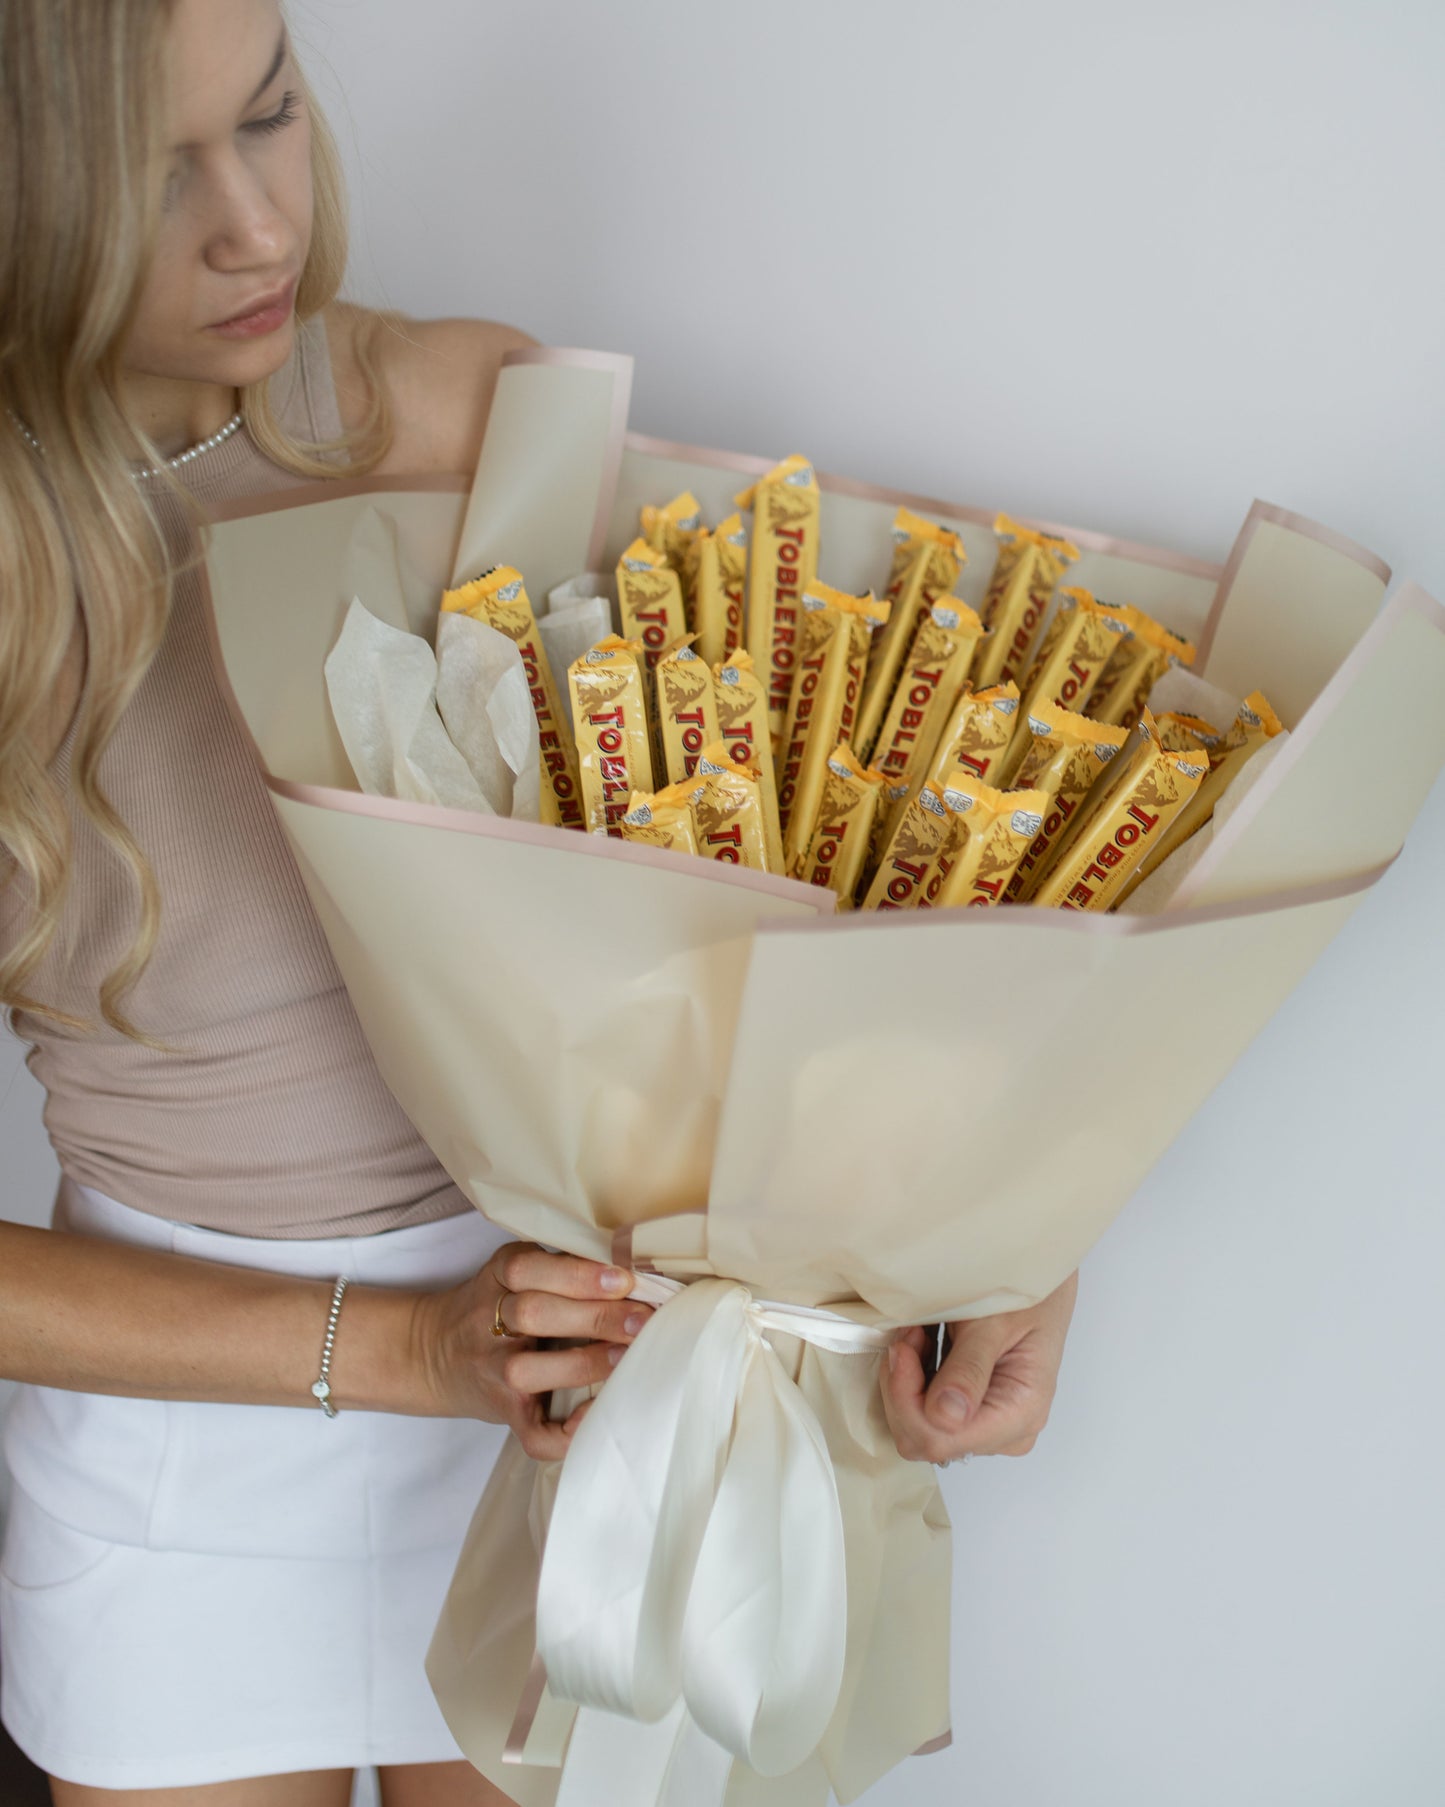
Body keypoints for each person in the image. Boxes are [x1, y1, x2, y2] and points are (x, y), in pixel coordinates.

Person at [0, 2, 1079, 1802]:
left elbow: (840, 850)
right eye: (144, 181)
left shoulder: (465, 420)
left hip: (597, 1415)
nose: (256, 227)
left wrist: (1008, 1242)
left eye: (269, 118)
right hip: (174, 1448)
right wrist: (408, 1346)